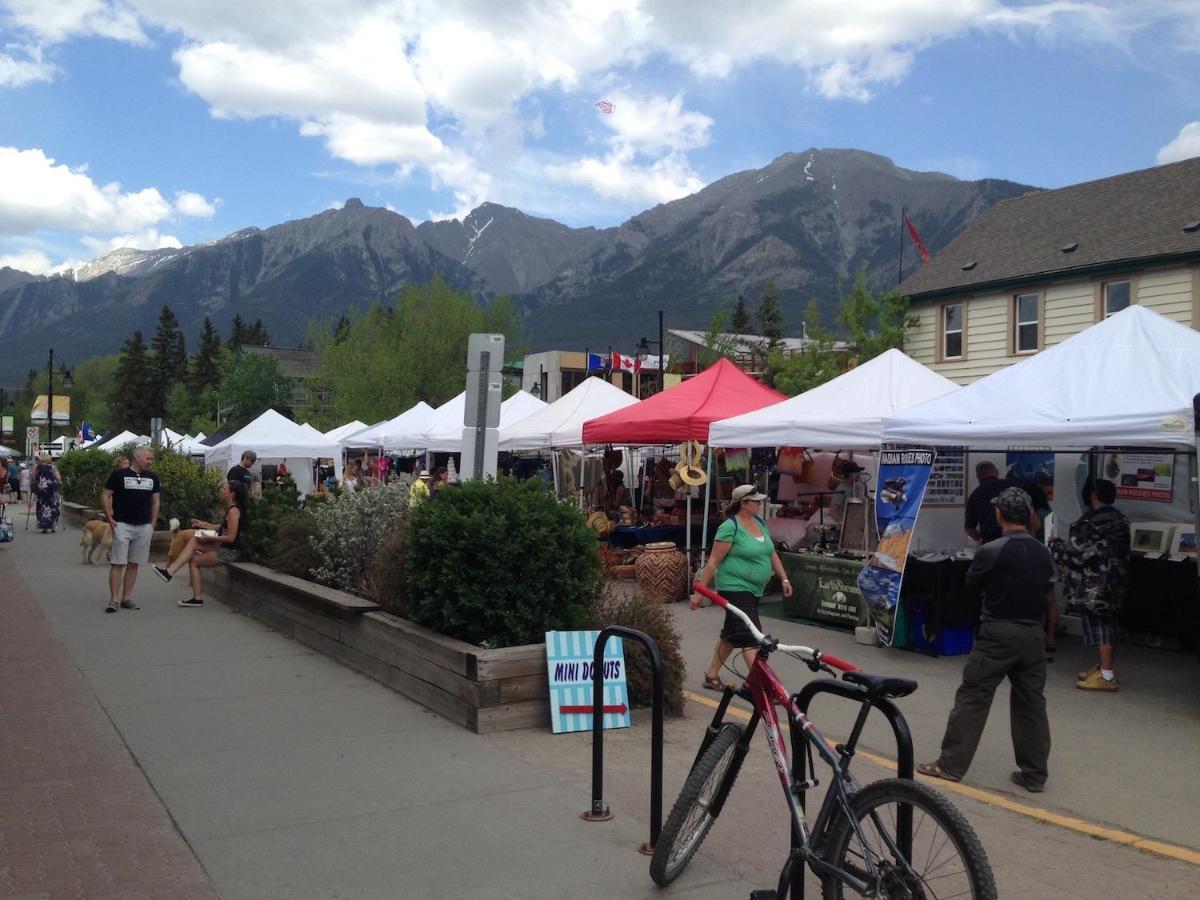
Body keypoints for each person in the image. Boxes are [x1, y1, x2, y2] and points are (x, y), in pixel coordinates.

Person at [919, 487, 1054, 793]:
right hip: (1033, 633)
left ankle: (950, 764)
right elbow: (1047, 588)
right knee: (1031, 703)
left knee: (973, 697)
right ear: (1030, 515)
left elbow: (972, 582)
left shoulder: (991, 550)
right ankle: (1034, 774)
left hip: (998, 631)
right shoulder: (1042, 552)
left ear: (999, 514)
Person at [690, 484, 794, 691]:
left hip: (754, 589)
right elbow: (712, 562)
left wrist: (784, 579)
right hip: (735, 587)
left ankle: (711, 676)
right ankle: (764, 686)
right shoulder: (730, 527)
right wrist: (699, 592)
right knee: (752, 637)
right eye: (755, 501)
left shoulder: (759, 522)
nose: (759, 503)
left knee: (731, 633)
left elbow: (771, 553)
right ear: (743, 503)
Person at [1053, 478, 1130, 692]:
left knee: (1101, 627)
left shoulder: (1090, 523)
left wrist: (1056, 547)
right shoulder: (1120, 519)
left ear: (1093, 495)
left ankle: (1106, 676)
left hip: (1096, 584)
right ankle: (1105, 668)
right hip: (1117, 580)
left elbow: (1079, 555)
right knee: (1111, 624)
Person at [154, 480, 247, 607]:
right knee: (194, 541)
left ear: (232, 493)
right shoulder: (232, 509)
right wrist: (203, 525)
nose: (220, 490)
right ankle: (171, 573)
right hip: (224, 547)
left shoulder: (233, 511)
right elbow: (223, 528)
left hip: (230, 552)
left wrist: (209, 538)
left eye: (224, 488)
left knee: (194, 560)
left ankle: (179, 581)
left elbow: (231, 537)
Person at [100, 446, 161, 613]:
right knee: (118, 562)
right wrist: (110, 518)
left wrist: (152, 523)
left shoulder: (153, 478)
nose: (150, 461)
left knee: (134, 563)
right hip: (122, 524)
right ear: (137, 457)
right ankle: (114, 599)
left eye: (151, 459)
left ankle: (126, 597)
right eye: (148, 458)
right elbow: (105, 495)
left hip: (144, 525)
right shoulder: (119, 475)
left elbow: (156, 501)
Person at [963, 461, 1016, 544]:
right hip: (1016, 540)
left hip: (991, 543)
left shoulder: (975, 495)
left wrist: (982, 539)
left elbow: (970, 530)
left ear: (978, 476)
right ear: (997, 472)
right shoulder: (1013, 486)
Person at [32, 453, 62, 533]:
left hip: (41, 491)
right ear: (49, 459)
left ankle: (43, 526)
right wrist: (58, 483)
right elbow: (58, 477)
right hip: (52, 490)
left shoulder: (37, 467)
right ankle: (53, 526)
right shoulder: (53, 467)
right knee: (53, 506)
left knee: (41, 507)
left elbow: (34, 478)